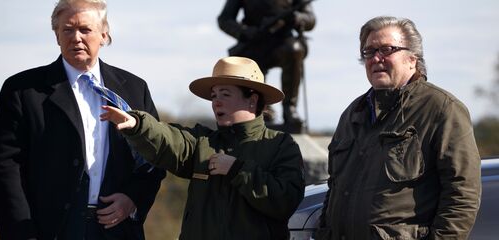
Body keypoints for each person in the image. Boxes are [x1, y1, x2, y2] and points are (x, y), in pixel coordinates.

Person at [0, 0, 165, 239]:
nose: (76, 37)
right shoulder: (22, 91)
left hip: (117, 228)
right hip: (48, 230)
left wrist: (133, 198)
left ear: (104, 34)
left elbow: (155, 156)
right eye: (67, 29)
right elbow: (6, 171)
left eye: (85, 29)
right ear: (56, 36)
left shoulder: (134, 89)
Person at [101, 56, 305, 240]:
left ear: (252, 100)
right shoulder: (202, 141)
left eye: (225, 94)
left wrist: (237, 170)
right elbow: (169, 139)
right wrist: (139, 125)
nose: (216, 102)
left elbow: (285, 201)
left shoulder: (280, 146)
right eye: (214, 95)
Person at [316, 16, 481, 240]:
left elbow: (463, 195)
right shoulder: (352, 113)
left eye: (387, 49)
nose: (376, 58)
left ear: (412, 59)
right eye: (369, 51)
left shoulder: (441, 109)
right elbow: (334, 186)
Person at [218, 0, 316, 126]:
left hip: (283, 41)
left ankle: (289, 109)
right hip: (254, 42)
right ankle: (262, 109)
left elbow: (310, 18)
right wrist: (244, 32)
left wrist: (298, 18)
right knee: (247, 61)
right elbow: (224, 19)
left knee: (294, 50)